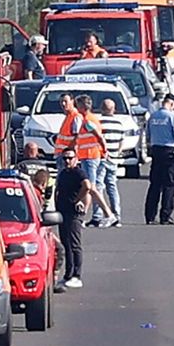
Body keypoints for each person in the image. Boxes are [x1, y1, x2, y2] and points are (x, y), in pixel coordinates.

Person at [53, 149, 114, 289]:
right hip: (62, 212)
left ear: (76, 159)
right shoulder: (63, 173)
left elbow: (87, 186)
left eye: (70, 158)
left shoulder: (78, 172)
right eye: (65, 158)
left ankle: (76, 275)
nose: (67, 161)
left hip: (73, 213)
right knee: (66, 243)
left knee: (74, 244)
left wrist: (77, 200)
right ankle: (68, 274)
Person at [67, 95, 112, 227]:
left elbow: (99, 137)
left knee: (91, 187)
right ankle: (90, 215)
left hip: (91, 156)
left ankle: (108, 214)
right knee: (90, 188)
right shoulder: (87, 119)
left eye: (77, 105)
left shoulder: (88, 121)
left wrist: (104, 151)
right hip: (87, 156)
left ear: (81, 106)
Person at [144, 93, 174, 225]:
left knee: (155, 185)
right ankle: (165, 215)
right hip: (169, 152)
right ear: (172, 104)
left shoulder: (153, 116)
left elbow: (148, 136)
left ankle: (150, 216)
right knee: (169, 185)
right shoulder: (172, 116)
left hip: (156, 151)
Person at [94, 99, 125, 227]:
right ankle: (116, 214)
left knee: (98, 186)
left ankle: (98, 215)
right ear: (114, 109)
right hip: (114, 158)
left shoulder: (99, 123)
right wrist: (117, 153)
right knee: (112, 186)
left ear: (101, 108)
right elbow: (122, 142)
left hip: (102, 158)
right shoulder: (119, 124)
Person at [52, 92, 78, 173]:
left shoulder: (75, 116)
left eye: (65, 101)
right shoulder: (68, 116)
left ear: (72, 101)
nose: (63, 104)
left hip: (67, 156)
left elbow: (77, 137)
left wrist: (70, 154)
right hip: (62, 154)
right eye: (61, 102)